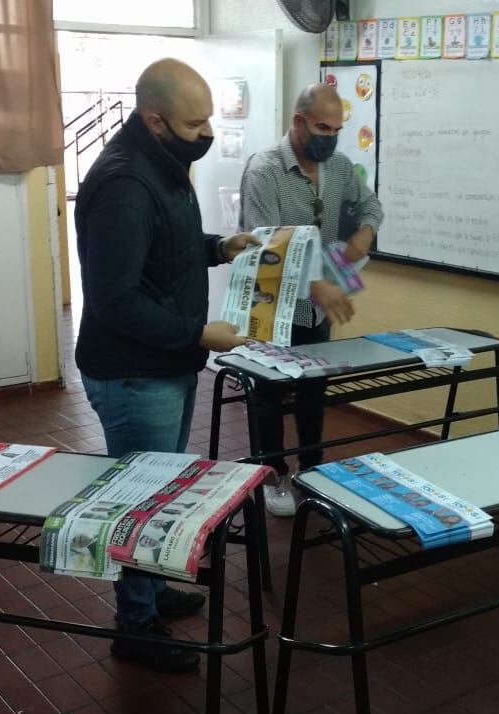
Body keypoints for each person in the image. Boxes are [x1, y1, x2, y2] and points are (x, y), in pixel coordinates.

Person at [74, 58, 257, 673]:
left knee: (160, 489)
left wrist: (218, 247)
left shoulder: (164, 165)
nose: (207, 131)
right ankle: (136, 626)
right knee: (139, 498)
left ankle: (149, 588)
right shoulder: (126, 185)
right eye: (195, 121)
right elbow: (115, 299)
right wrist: (200, 332)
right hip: (133, 372)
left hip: (166, 364)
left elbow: (166, 254)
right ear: (155, 121)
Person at [239, 83, 385, 516]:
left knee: (311, 391)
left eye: (338, 128)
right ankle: (272, 476)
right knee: (267, 395)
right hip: (270, 304)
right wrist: (312, 282)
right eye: (323, 127)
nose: (331, 136)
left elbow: (371, 204)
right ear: (298, 122)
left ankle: (312, 470)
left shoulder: (339, 166)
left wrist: (364, 233)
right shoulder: (264, 170)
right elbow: (262, 244)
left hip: (315, 309)